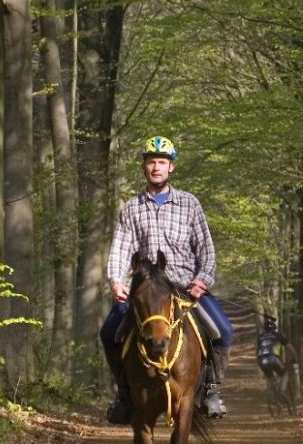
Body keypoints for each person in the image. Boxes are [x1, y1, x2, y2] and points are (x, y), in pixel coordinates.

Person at [100, 136, 233, 425]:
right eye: (152, 162)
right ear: (144, 167)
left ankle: (211, 390)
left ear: (171, 167)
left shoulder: (189, 204)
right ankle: (124, 394)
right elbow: (121, 250)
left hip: (185, 289)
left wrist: (202, 281)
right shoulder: (132, 208)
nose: (156, 167)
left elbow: (206, 250)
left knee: (223, 330)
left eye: (162, 162)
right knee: (109, 332)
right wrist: (117, 282)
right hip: (147, 292)